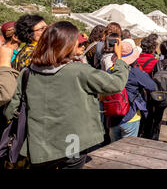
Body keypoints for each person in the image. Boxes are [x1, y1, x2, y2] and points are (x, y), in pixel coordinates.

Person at [3, 21, 129, 169]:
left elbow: (10, 110)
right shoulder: (79, 71)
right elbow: (115, 84)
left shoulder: (27, 73)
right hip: (72, 143)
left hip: (39, 145)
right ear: (68, 44)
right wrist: (119, 60)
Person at [107, 41, 157, 142]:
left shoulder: (110, 71)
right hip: (130, 116)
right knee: (128, 149)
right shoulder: (134, 72)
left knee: (113, 150)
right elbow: (152, 86)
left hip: (112, 117)